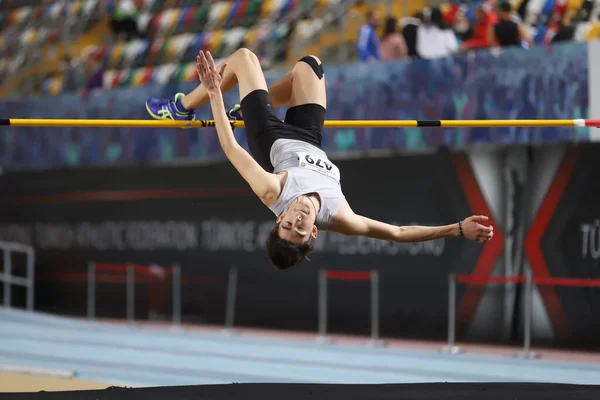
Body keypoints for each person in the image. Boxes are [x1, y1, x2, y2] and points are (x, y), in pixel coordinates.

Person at [145, 48, 494, 270]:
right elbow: (399, 233)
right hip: (309, 137)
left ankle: (179, 108)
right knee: (309, 66)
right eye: (300, 229)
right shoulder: (339, 217)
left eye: (287, 224)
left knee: (243, 59)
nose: (296, 219)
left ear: (279, 218)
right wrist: (457, 228)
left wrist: (212, 92)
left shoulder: (273, 193)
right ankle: (246, 105)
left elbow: (231, 148)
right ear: (313, 231)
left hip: (270, 136)